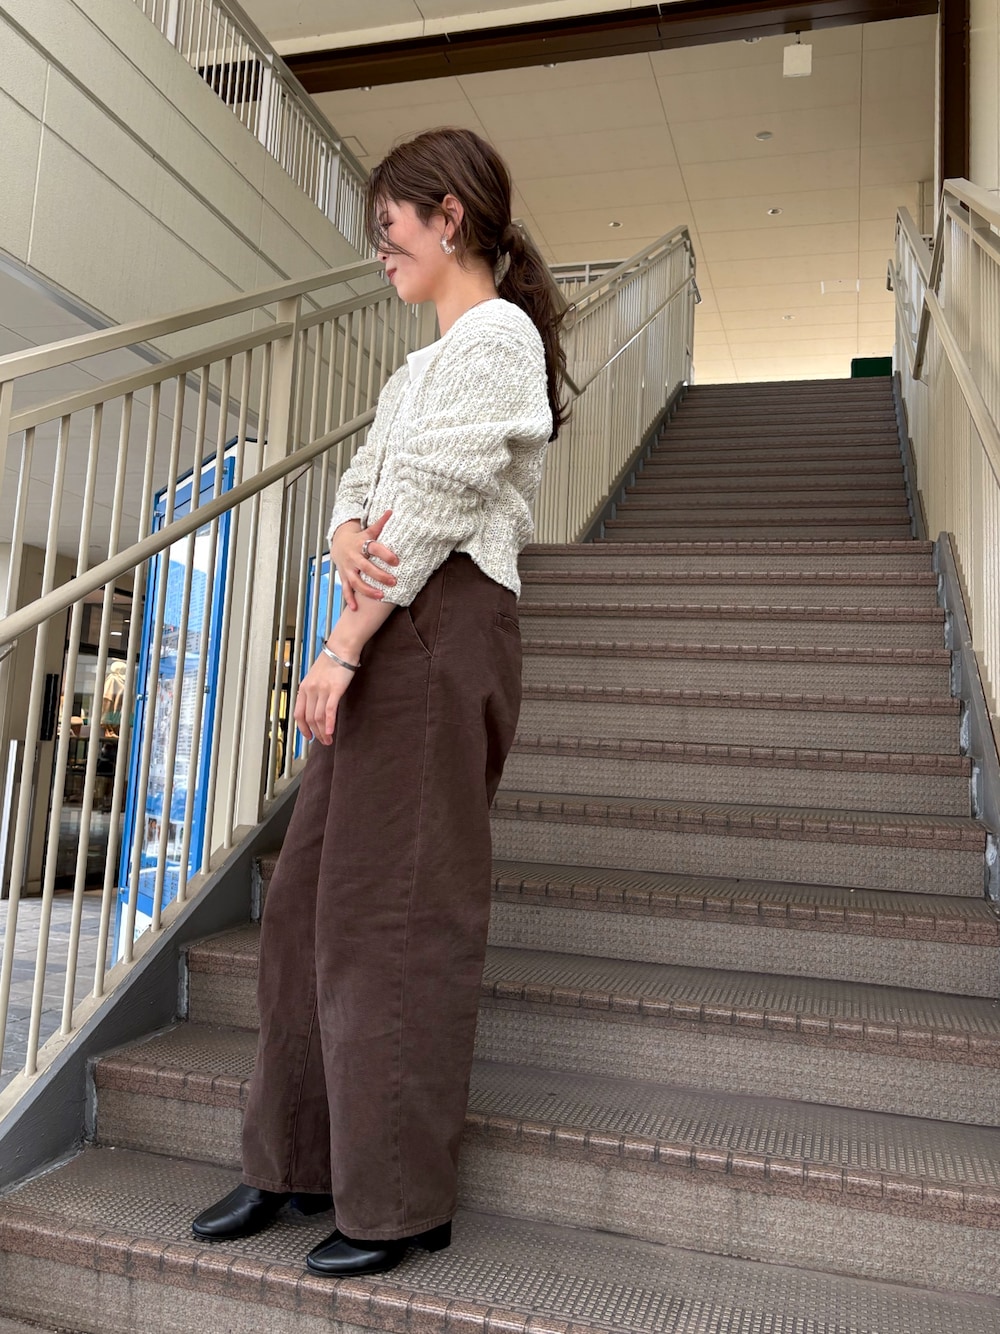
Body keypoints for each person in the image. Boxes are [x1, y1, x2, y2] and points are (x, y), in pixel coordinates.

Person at [191, 126, 567, 1278]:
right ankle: (296, 1155)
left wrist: (342, 643)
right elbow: (365, 487)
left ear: (449, 216)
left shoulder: (498, 336)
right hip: (393, 624)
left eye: (389, 226)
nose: (379, 251)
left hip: (438, 633)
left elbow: (441, 498)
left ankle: (399, 1199)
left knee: (394, 916)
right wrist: (346, 532)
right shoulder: (419, 366)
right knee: (307, 900)